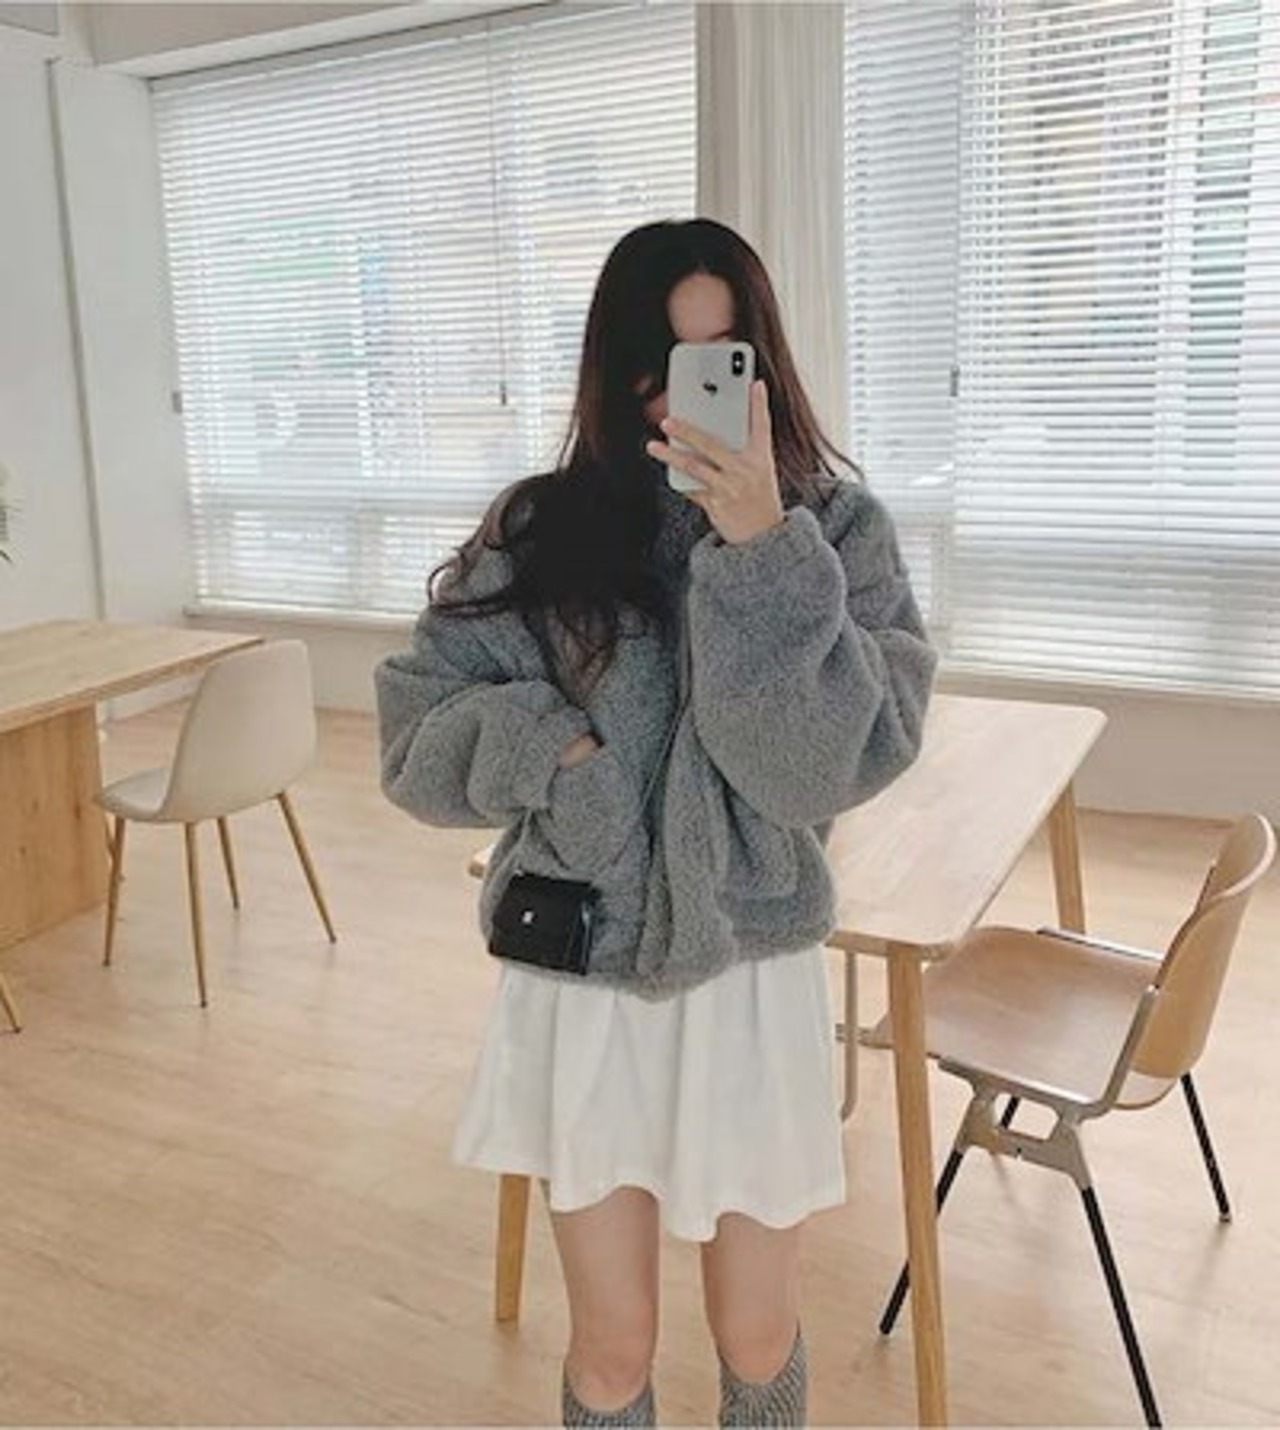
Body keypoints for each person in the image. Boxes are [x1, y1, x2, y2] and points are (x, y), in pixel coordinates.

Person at [375, 218, 936, 1428]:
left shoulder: (836, 534)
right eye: (658, 363)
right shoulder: (537, 531)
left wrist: (761, 551)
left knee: (756, 1330)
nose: (686, 397)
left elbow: (814, 770)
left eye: (716, 358)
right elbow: (413, 740)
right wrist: (554, 751)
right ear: (612, 368)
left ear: (759, 363)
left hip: (751, 969)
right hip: (586, 973)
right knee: (613, 1344)